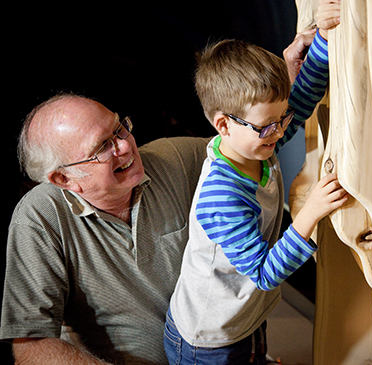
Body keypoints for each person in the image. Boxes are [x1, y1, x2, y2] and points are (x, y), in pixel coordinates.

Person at [0, 30, 319, 365]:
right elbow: (31, 345)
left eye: (119, 128)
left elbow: (250, 137)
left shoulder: (175, 157)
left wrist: (281, 84)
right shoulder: (38, 218)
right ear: (63, 178)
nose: (125, 146)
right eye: (102, 147)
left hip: (226, 344)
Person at [164, 2, 343, 364]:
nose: (279, 132)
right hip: (209, 340)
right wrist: (310, 214)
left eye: (282, 119)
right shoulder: (222, 195)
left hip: (244, 317)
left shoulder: (255, 143)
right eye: (267, 125)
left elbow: (304, 97)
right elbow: (263, 273)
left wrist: (324, 36)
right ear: (223, 125)